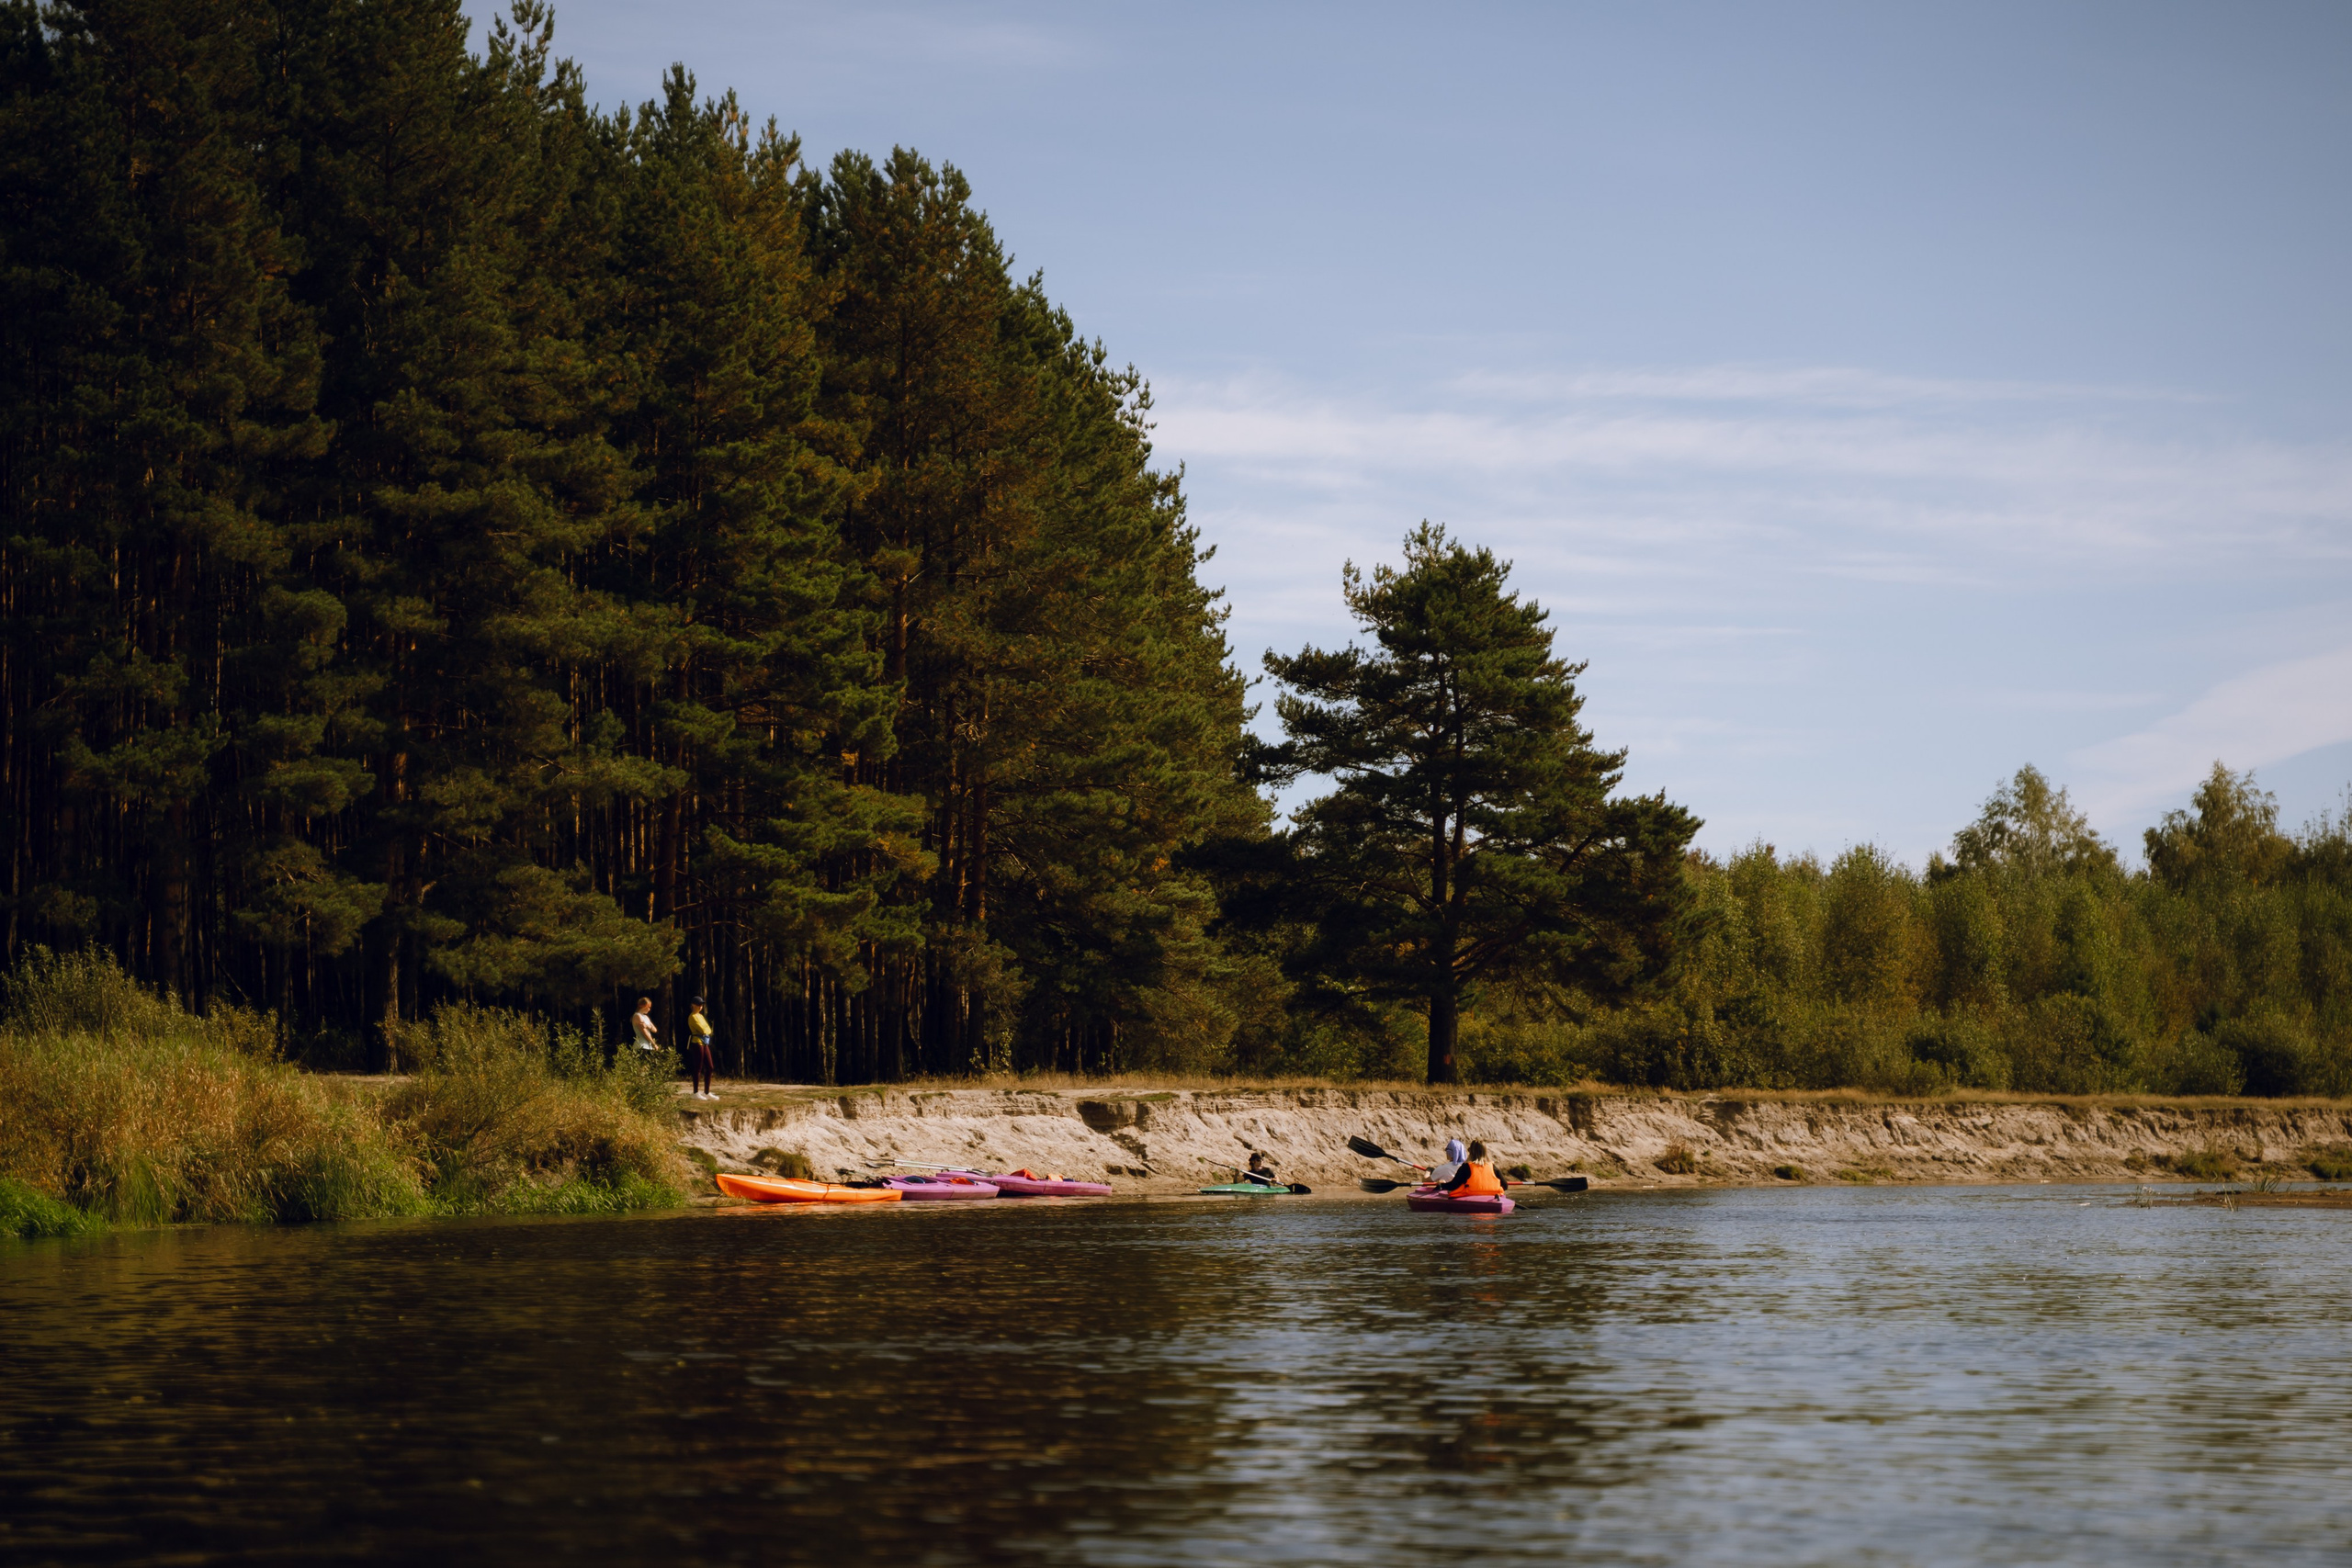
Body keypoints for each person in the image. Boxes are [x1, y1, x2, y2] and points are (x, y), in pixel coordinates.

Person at [1438, 1139, 1508, 1197]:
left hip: (1470, 1196)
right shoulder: (1493, 1167)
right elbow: (1505, 1186)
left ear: (1471, 1152)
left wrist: (1441, 1185)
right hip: (1492, 1197)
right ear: (1485, 1152)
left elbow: (1453, 1186)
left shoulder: (1466, 1167)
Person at [686, 996, 717, 1100]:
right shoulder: (692, 1017)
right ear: (693, 1005)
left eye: (701, 1004)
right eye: (698, 1004)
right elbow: (703, 1030)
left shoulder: (700, 1016)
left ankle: (706, 1092)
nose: (700, 1006)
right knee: (698, 1067)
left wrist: (706, 1030)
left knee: (710, 1066)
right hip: (697, 1042)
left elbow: (708, 1029)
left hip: (704, 1042)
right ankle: (695, 1092)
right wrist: (706, 1030)